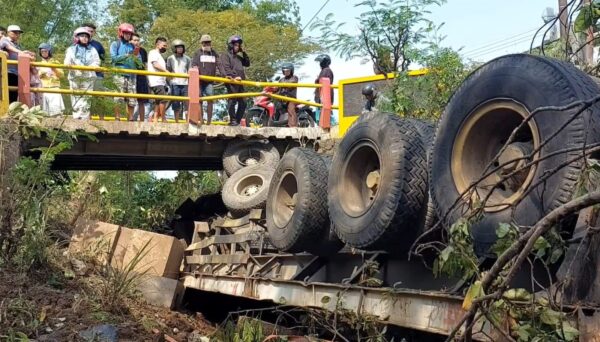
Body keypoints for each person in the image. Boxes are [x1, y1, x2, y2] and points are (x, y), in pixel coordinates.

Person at [64, 27, 100, 120]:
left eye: (86, 36)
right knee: (75, 96)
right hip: (75, 76)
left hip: (88, 76)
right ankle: (76, 117)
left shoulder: (92, 49)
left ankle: (84, 118)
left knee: (86, 97)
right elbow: (67, 61)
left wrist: (90, 67)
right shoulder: (71, 49)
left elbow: (97, 62)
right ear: (77, 37)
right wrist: (69, 65)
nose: (84, 38)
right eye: (82, 36)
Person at [220, 35, 250, 126]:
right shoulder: (225, 55)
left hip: (240, 82)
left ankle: (236, 121)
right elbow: (226, 68)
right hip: (232, 81)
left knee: (243, 102)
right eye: (235, 45)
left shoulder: (239, 57)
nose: (237, 47)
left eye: (238, 45)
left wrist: (244, 52)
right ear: (231, 45)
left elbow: (247, 63)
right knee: (232, 101)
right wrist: (234, 76)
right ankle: (232, 120)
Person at [1, 25, 35, 103]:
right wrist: (23, 52)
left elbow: (18, 53)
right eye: (15, 32)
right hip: (6, 71)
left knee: (14, 93)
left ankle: (10, 112)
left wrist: (27, 53)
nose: (17, 34)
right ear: (8, 32)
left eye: (18, 33)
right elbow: (9, 47)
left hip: (16, 72)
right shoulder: (4, 39)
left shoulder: (17, 45)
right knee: (6, 92)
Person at [110, 23, 137, 120]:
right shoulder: (115, 44)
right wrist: (125, 56)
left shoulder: (132, 46)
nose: (128, 35)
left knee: (132, 97)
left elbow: (137, 59)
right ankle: (117, 117)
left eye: (130, 34)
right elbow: (113, 59)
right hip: (119, 74)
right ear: (121, 33)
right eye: (126, 33)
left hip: (131, 75)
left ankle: (130, 117)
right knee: (118, 96)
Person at [191, 34, 220, 125]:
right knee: (199, 99)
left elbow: (219, 64)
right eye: (205, 43)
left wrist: (221, 75)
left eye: (208, 42)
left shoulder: (214, 53)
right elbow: (194, 65)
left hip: (210, 81)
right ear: (201, 43)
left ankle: (209, 121)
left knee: (210, 99)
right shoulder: (197, 53)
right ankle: (201, 119)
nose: (207, 44)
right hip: (199, 81)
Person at [166, 39, 191, 122]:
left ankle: (187, 121)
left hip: (185, 83)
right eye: (178, 47)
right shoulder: (170, 58)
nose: (180, 49)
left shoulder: (187, 59)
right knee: (175, 103)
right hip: (174, 83)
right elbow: (167, 71)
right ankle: (176, 121)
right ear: (174, 48)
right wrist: (170, 83)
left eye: (181, 47)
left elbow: (189, 71)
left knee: (187, 103)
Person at [37, 43, 65, 115]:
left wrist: (54, 69)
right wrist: (41, 73)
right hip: (44, 87)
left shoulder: (56, 62)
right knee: (45, 112)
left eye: (45, 51)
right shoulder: (39, 64)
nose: (44, 53)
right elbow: (36, 77)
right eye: (42, 51)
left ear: (49, 51)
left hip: (54, 87)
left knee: (56, 110)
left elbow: (61, 75)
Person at [147, 37, 169, 123]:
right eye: (164, 45)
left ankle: (155, 118)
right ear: (157, 44)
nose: (165, 47)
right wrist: (166, 71)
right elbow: (155, 64)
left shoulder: (160, 56)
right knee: (163, 99)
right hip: (156, 81)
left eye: (166, 46)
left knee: (158, 101)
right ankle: (163, 118)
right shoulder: (153, 53)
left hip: (160, 81)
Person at [131, 33, 150, 122]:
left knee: (142, 100)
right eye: (134, 40)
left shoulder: (143, 51)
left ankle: (142, 120)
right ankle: (130, 119)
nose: (136, 42)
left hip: (141, 77)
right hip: (131, 75)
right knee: (130, 100)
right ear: (130, 41)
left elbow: (145, 65)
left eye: (138, 40)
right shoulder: (127, 49)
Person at [82, 23, 106, 89]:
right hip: (81, 75)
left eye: (91, 31)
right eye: (87, 30)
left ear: (94, 33)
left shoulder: (98, 45)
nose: (89, 33)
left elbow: (104, 59)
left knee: (98, 96)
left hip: (97, 74)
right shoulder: (75, 46)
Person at [277, 62, 299, 127]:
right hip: (283, 98)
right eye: (284, 71)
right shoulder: (281, 79)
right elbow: (278, 88)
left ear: (291, 71)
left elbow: (291, 84)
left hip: (291, 98)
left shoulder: (294, 78)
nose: (286, 72)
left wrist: (282, 85)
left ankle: (293, 127)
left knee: (291, 109)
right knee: (276, 107)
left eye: (288, 70)